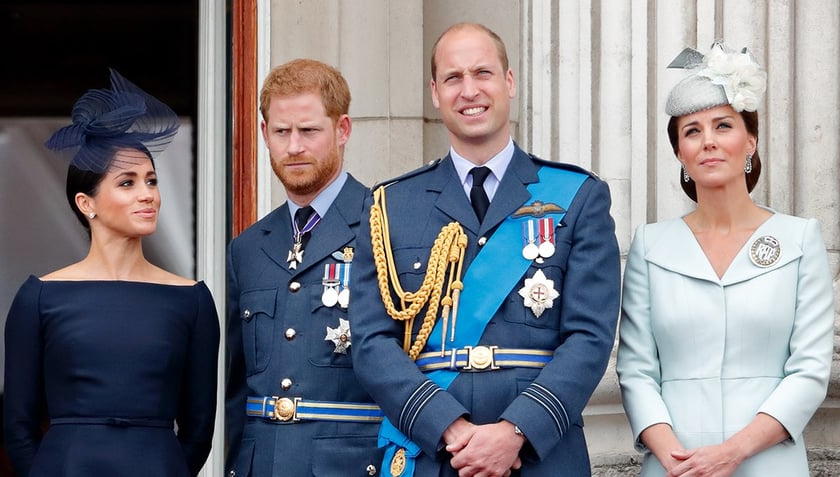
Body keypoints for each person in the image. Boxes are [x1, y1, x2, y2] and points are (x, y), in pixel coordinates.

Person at [349, 23, 621, 477]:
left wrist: (516, 431)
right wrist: (449, 429)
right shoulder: (391, 205)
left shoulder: (578, 195)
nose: (469, 90)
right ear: (435, 93)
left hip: (538, 456)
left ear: (509, 82)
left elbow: (590, 338)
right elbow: (373, 342)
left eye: (483, 73)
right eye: (453, 78)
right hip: (435, 452)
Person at [616, 43, 835, 476]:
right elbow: (636, 370)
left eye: (723, 125)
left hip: (769, 461)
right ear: (679, 152)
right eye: (692, 131)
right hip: (673, 465)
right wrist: (678, 460)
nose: (708, 141)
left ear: (750, 140)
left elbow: (809, 370)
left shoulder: (798, 239)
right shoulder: (651, 245)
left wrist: (732, 451)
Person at [3, 69, 220, 477]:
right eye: (127, 182)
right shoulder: (40, 297)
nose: (148, 195)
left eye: (152, 181)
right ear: (87, 204)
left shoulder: (192, 299)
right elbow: (17, 427)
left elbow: (199, 430)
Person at [225, 58, 384, 477]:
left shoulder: (385, 227)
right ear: (264, 134)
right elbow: (235, 389)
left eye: (309, 131)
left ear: (342, 129)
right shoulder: (247, 248)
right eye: (281, 131)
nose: (294, 146)